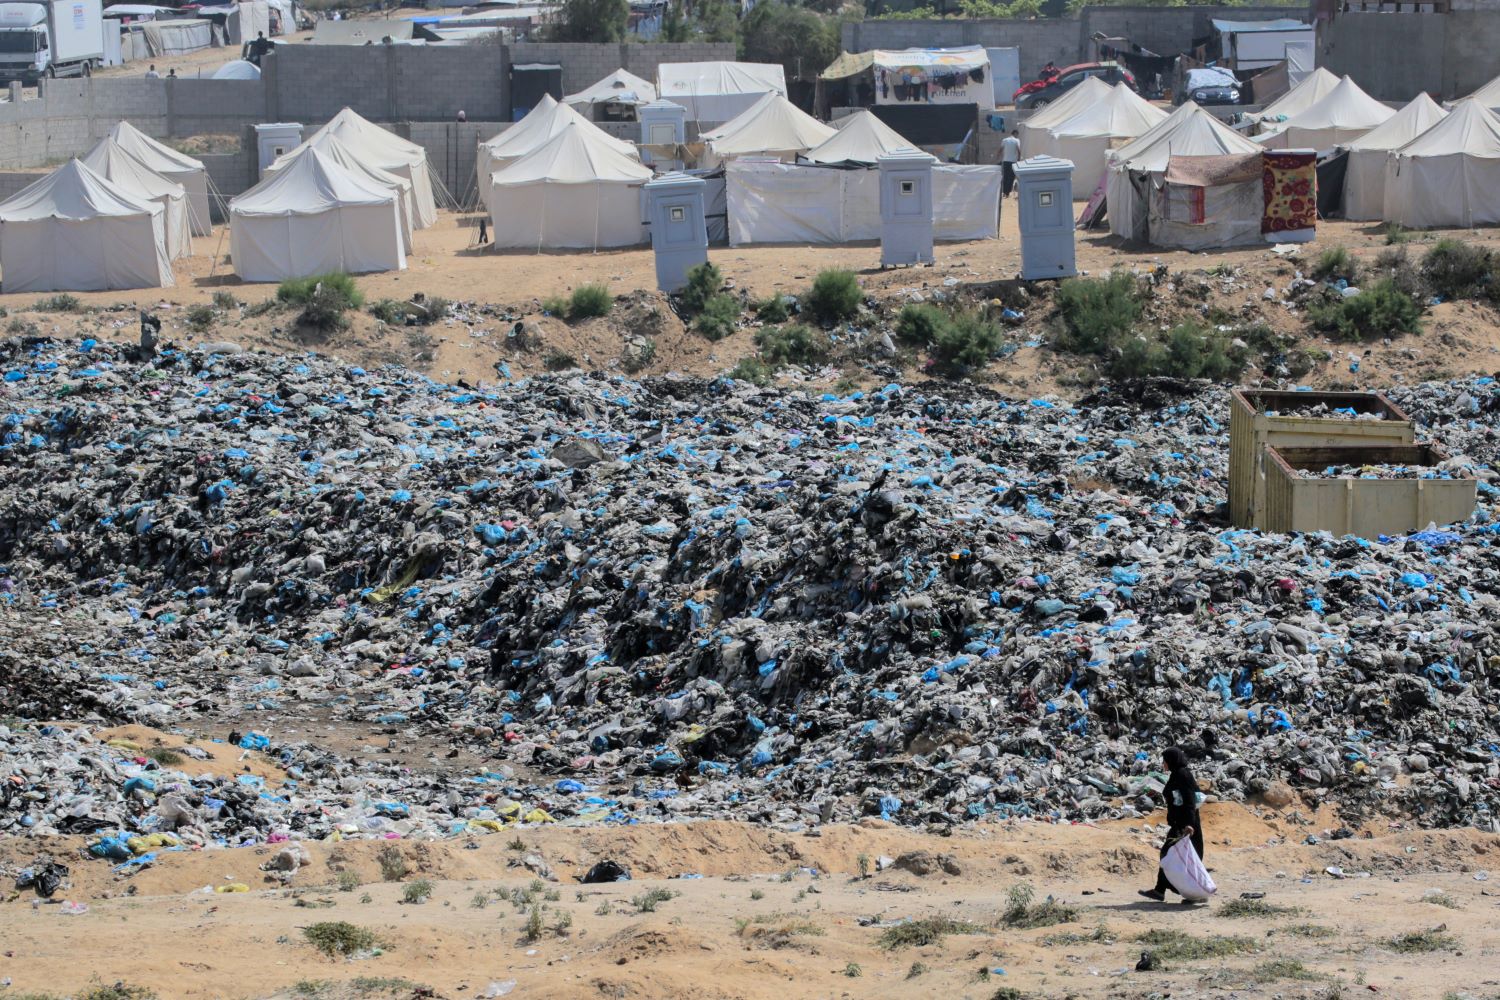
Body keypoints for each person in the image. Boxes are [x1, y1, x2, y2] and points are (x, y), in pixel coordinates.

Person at [1140, 747, 1205, 902]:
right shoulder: (1177, 774)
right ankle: (1160, 890)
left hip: (1186, 824)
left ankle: (1193, 893)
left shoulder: (1183, 775)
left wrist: (1189, 824)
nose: (1164, 764)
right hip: (1179, 822)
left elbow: (1189, 800)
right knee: (1172, 855)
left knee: (1175, 855)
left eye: (1165, 761)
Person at [1000, 129, 1020, 198]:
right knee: (1011, 178)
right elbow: (1019, 150)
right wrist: (1019, 159)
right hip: (1013, 162)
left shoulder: (1005, 140)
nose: (1017, 136)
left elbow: (1000, 149)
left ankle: (1004, 192)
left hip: (1005, 161)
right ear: (1015, 134)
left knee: (1005, 177)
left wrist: (998, 157)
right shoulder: (1017, 140)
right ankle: (1008, 193)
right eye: (1017, 135)